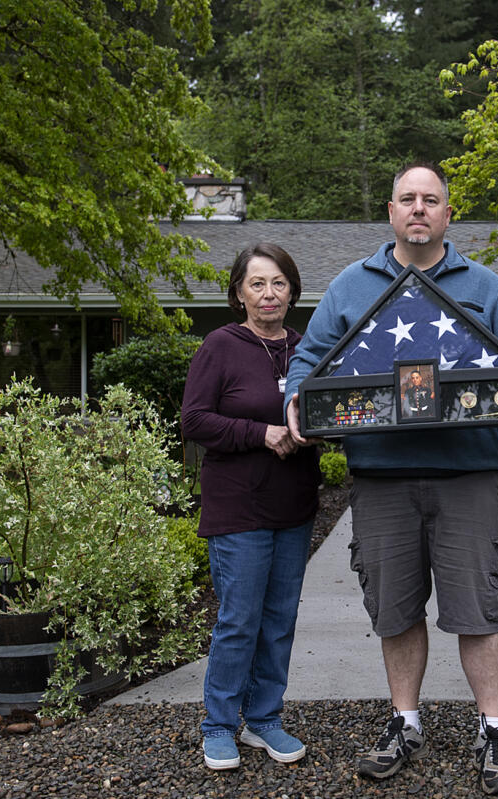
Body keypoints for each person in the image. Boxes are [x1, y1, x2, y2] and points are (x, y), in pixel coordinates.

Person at [284, 162, 498, 795]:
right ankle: (404, 722)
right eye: (407, 199)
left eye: (430, 200)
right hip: (382, 479)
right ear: (390, 211)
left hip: (468, 474)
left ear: (445, 214)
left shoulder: (486, 287)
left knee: (479, 609)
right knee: (395, 609)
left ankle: (493, 730)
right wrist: (296, 400)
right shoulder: (351, 288)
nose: (418, 209)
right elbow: (308, 361)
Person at [181, 242, 321, 772]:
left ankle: (264, 719)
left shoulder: (306, 347)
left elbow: (325, 410)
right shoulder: (220, 346)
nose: (269, 294)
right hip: (239, 508)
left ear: (292, 291)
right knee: (239, 620)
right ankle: (218, 725)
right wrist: (261, 432)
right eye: (258, 283)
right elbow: (194, 421)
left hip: (294, 505)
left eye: (279, 283)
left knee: (280, 619)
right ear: (239, 292)